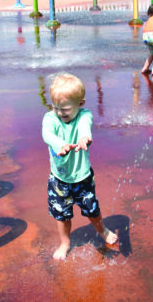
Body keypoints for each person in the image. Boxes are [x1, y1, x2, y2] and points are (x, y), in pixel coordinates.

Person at [42, 73, 118, 260]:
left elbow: (85, 127)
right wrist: (60, 144)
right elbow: (47, 135)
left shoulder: (84, 115)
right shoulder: (50, 118)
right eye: (56, 107)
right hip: (59, 180)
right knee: (62, 215)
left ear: (80, 104)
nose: (60, 113)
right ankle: (65, 242)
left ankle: (102, 230)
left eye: (65, 109)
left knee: (92, 209)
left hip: (82, 177)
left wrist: (84, 137)